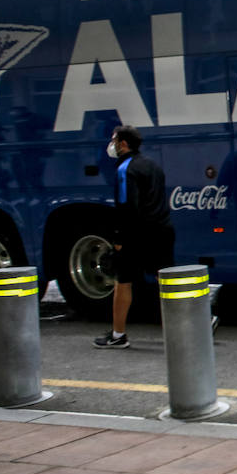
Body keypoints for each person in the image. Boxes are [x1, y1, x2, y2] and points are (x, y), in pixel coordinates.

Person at [93, 125, 174, 349]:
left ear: (124, 144)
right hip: (162, 229)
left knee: (123, 282)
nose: (111, 146)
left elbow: (127, 205)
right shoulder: (153, 165)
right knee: (167, 282)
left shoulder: (124, 169)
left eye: (114, 141)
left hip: (137, 234)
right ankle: (198, 322)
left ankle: (118, 335)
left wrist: (118, 238)